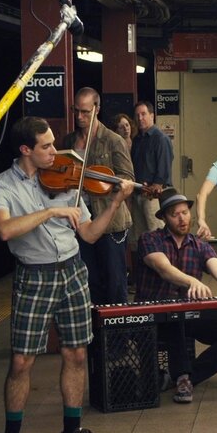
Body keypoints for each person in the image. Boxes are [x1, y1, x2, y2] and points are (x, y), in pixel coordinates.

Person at [0, 116, 135, 433]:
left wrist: (114, 203)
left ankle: (73, 432)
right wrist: (49, 212)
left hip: (72, 271)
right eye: (46, 146)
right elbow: (5, 230)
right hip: (33, 276)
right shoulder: (1, 187)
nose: (56, 151)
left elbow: (91, 234)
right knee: (21, 360)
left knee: (77, 354)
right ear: (25, 150)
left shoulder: (68, 177)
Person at [136, 188, 217, 403]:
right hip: (154, 318)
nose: (182, 219)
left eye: (185, 212)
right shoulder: (150, 239)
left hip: (188, 316)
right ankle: (181, 377)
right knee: (174, 315)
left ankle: (187, 377)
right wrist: (192, 281)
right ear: (163, 217)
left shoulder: (199, 245)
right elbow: (163, 268)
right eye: (175, 214)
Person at [60, 87, 135, 305]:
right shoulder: (69, 141)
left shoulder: (113, 140)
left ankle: (117, 337)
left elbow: (126, 178)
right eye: (76, 111)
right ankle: (93, 336)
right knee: (88, 280)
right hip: (81, 219)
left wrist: (96, 183)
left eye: (85, 112)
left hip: (110, 221)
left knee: (114, 282)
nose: (80, 117)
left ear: (97, 109)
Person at [129, 100, 173, 239]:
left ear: (152, 115)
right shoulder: (137, 140)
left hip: (153, 195)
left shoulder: (161, 139)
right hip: (138, 193)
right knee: (140, 237)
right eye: (137, 115)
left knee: (157, 234)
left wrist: (157, 186)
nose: (140, 118)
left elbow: (164, 165)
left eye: (143, 114)